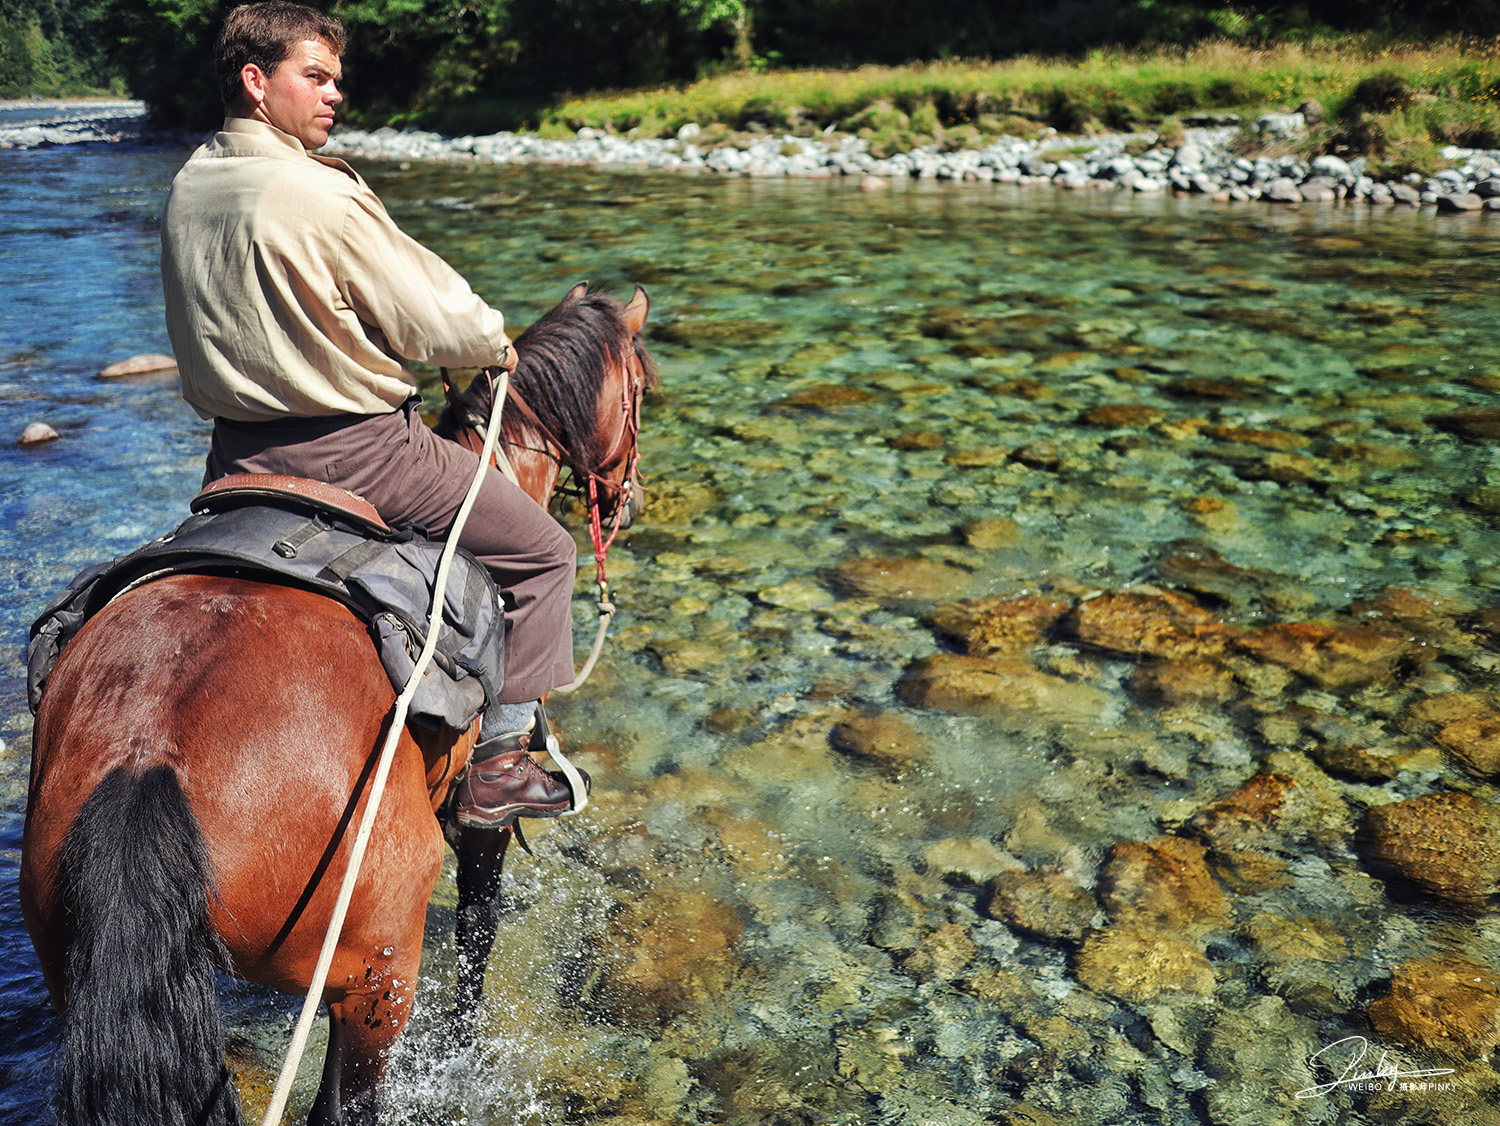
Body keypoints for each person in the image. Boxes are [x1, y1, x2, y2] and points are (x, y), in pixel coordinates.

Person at [161, 0, 585, 828]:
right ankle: (501, 762)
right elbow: (435, 318)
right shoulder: (319, 193)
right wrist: (495, 345)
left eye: (336, 81)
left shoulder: (189, 184)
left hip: (234, 460)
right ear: (257, 81)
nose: (333, 97)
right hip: (362, 454)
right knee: (545, 553)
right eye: (314, 77)